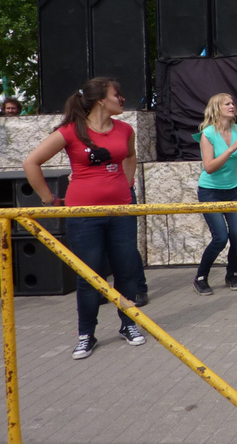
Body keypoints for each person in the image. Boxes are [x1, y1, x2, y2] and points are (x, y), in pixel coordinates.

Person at [23, 77, 146, 360]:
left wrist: (126, 186)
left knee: (126, 270)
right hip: (84, 215)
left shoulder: (125, 129)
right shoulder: (70, 131)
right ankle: (86, 334)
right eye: (118, 94)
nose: (123, 99)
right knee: (90, 275)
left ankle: (128, 325)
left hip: (121, 211)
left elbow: (130, 156)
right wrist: (48, 200)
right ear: (101, 99)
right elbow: (31, 162)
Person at [191, 93, 237, 296]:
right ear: (216, 108)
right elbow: (209, 167)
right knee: (220, 238)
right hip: (210, 191)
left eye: (233, 103)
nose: (232, 106)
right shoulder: (208, 133)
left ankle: (232, 274)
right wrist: (230, 150)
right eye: (227, 103)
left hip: (233, 190)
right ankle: (201, 277)